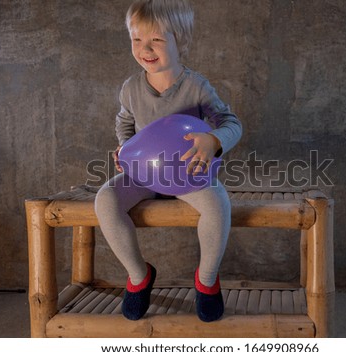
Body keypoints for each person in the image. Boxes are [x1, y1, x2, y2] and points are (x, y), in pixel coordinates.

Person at [95, 0, 242, 323]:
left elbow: (232, 123)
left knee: (218, 204)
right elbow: (124, 123)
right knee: (105, 199)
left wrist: (214, 140)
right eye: (137, 40)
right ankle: (139, 275)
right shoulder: (131, 88)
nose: (145, 49)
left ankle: (206, 280)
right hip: (144, 176)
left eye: (157, 40)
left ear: (181, 40)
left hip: (189, 174)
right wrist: (124, 148)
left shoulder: (196, 86)